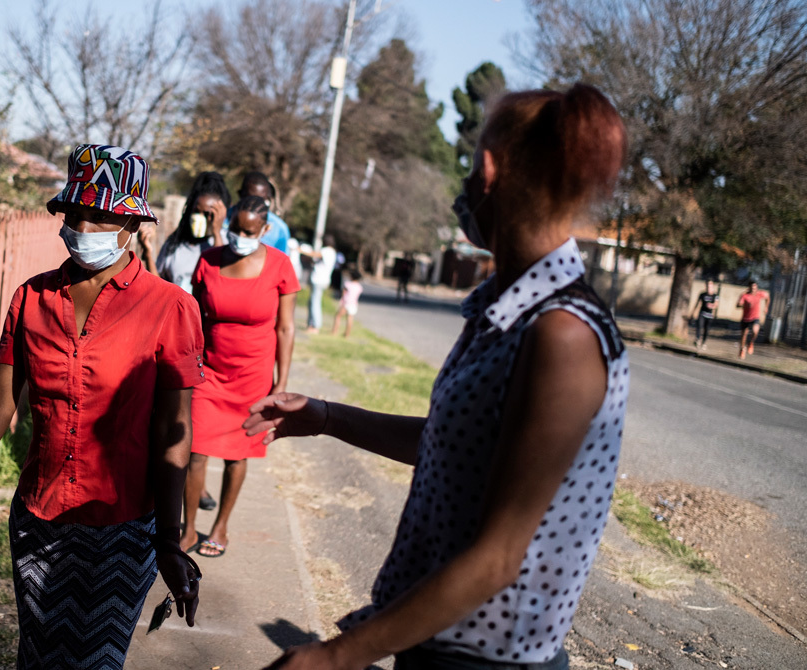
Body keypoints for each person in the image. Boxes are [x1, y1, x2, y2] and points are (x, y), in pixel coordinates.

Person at [247, 83, 629, 670]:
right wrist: (325, 416)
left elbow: (499, 558)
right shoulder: (506, 307)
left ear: (489, 172)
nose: (465, 186)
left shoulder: (563, 335)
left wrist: (336, 656)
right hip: (434, 644)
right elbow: (454, 445)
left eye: (471, 169)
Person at [0, 144, 204, 669]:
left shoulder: (170, 308)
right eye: (75, 213)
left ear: (132, 223)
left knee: (93, 662)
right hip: (37, 521)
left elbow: (173, 429)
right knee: (39, 656)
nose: (83, 228)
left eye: (100, 216)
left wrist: (170, 540)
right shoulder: (32, 298)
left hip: (123, 527)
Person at [180, 196, 299, 557]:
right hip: (210, 372)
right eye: (236, 229)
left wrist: (280, 384)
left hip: (253, 376)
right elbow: (195, 316)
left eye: (250, 232)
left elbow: (286, 328)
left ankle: (221, 527)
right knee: (195, 450)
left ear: (265, 230)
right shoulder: (209, 260)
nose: (241, 237)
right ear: (229, 223)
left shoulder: (280, 265)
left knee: (237, 455)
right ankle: (188, 529)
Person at [144, 170, 231, 513]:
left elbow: (228, 283)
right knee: (166, 410)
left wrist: (218, 231)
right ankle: (165, 481)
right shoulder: (177, 244)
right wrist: (148, 250)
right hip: (168, 335)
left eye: (211, 213)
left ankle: (195, 482)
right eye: (199, 211)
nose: (203, 218)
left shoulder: (224, 248)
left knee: (196, 414)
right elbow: (157, 282)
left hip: (205, 343)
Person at [145, 171, 230, 293]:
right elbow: (159, 284)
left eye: (207, 214)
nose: (199, 217)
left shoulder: (225, 243)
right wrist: (148, 254)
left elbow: (221, 277)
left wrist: (217, 232)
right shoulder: (175, 243)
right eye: (196, 211)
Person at [234, 171, 290, 254]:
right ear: (240, 194)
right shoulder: (223, 218)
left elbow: (281, 258)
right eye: (250, 199)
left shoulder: (280, 229)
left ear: (265, 229)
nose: (256, 204)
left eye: (261, 200)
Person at [305, 235, 337, 333]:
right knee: (312, 302)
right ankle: (311, 324)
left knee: (315, 302)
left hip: (319, 280)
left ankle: (315, 326)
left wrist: (301, 250)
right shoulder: (332, 252)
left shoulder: (327, 250)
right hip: (321, 280)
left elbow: (314, 254)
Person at [737, 280, 769, 359]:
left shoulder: (759, 294)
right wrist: (745, 305)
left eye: (755, 288)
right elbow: (738, 305)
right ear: (749, 288)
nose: (754, 289)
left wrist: (766, 307)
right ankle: (742, 349)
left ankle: (751, 342)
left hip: (755, 317)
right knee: (744, 335)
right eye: (752, 288)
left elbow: (767, 297)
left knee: (755, 331)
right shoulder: (744, 295)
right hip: (745, 318)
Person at [332, 268, 364, 338]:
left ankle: (334, 331)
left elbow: (344, 294)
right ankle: (347, 334)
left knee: (338, 316)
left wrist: (341, 301)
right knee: (350, 319)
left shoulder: (348, 284)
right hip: (354, 304)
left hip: (346, 303)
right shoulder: (359, 287)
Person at [690, 280, 719, 350]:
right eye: (707, 286)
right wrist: (693, 313)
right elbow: (697, 303)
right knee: (699, 326)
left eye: (710, 286)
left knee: (706, 330)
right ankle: (698, 339)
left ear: (712, 286)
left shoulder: (715, 296)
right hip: (702, 313)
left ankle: (703, 343)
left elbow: (716, 305)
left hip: (709, 315)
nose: (709, 287)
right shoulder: (702, 294)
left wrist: (711, 306)